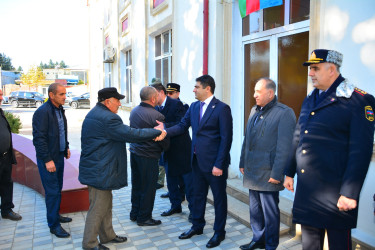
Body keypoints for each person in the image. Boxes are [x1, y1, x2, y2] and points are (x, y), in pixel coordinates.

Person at [284, 49, 375, 250]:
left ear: (332, 69)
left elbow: (361, 150)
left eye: (315, 68)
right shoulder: (311, 98)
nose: (310, 73)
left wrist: (350, 193)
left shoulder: (358, 100)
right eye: (310, 68)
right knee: (309, 244)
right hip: (308, 190)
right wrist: (289, 172)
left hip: (336, 193)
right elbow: (299, 136)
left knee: (339, 245)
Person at [79, 87, 164, 250]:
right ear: (107, 102)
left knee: (106, 204)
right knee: (98, 208)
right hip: (100, 170)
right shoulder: (108, 119)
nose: (119, 104)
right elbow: (131, 134)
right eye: (117, 100)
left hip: (99, 168)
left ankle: (107, 235)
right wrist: (155, 132)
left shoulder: (97, 113)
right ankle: (89, 244)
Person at [157, 75, 233, 248]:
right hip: (196, 162)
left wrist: (219, 164)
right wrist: (165, 131)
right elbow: (183, 126)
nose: (193, 89)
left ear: (207, 88)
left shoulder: (222, 108)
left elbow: (226, 139)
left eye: (196, 87)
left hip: (214, 164)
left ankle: (219, 233)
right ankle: (197, 226)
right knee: (197, 195)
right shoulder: (193, 106)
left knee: (219, 199)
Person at [239, 78, 296, 250]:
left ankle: (271, 244)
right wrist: (242, 161)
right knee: (255, 210)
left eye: (258, 91)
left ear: (270, 94)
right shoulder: (253, 111)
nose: (254, 95)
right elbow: (247, 139)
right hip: (252, 171)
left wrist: (277, 173)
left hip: (269, 172)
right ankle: (258, 239)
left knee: (270, 213)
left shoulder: (284, 113)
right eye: (254, 91)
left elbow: (285, 147)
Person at [32, 83, 72, 238]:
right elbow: (39, 139)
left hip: (59, 155)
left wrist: (66, 146)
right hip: (48, 159)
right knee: (52, 191)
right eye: (61, 94)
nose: (64, 97)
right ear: (51, 95)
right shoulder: (43, 112)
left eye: (65, 94)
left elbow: (61, 131)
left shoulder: (60, 109)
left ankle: (56, 215)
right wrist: (47, 160)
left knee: (58, 188)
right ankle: (54, 225)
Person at [151, 83, 193, 219]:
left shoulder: (177, 104)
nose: (152, 98)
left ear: (161, 93)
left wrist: (165, 127)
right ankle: (175, 206)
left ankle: (194, 210)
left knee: (187, 181)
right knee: (171, 180)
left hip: (181, 149)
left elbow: (183, 124)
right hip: (167, 149)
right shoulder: (156, 107)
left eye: (154, 94)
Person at [129, 86, 169, 226]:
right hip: (149, 156)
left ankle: (135, 213)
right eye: (157, 96)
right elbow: (163, 139)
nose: (158, 98)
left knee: (137, 185)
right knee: (148, 187)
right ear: (153, 98)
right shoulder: (157, 116)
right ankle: (144, 217)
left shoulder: (134, 111)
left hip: (134, 153)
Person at [160, 82, 188, 200]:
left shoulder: (183, 105)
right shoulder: (161, 105)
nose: (169, 95)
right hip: (166, 145)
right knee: (169, 172)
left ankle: (181, 193)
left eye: (171, 93)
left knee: (181, 174)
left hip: (179, 145)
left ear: (178, 93)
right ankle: (173, 193)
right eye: (167, 93)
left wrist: (164, 127)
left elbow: (181, 124)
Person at [0, 89, 22, 221]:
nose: (1, 98)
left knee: (7, 183)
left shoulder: (0, 112)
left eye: (1, 95)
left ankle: (6, 210)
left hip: (5, 156)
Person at [152, 78, 167, 189]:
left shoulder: (173, 103)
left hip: (165, 138)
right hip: (156, 138)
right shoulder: (155, 105)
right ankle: (158, 179)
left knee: (162, 162)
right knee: (158, 161)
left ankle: (160, 180)